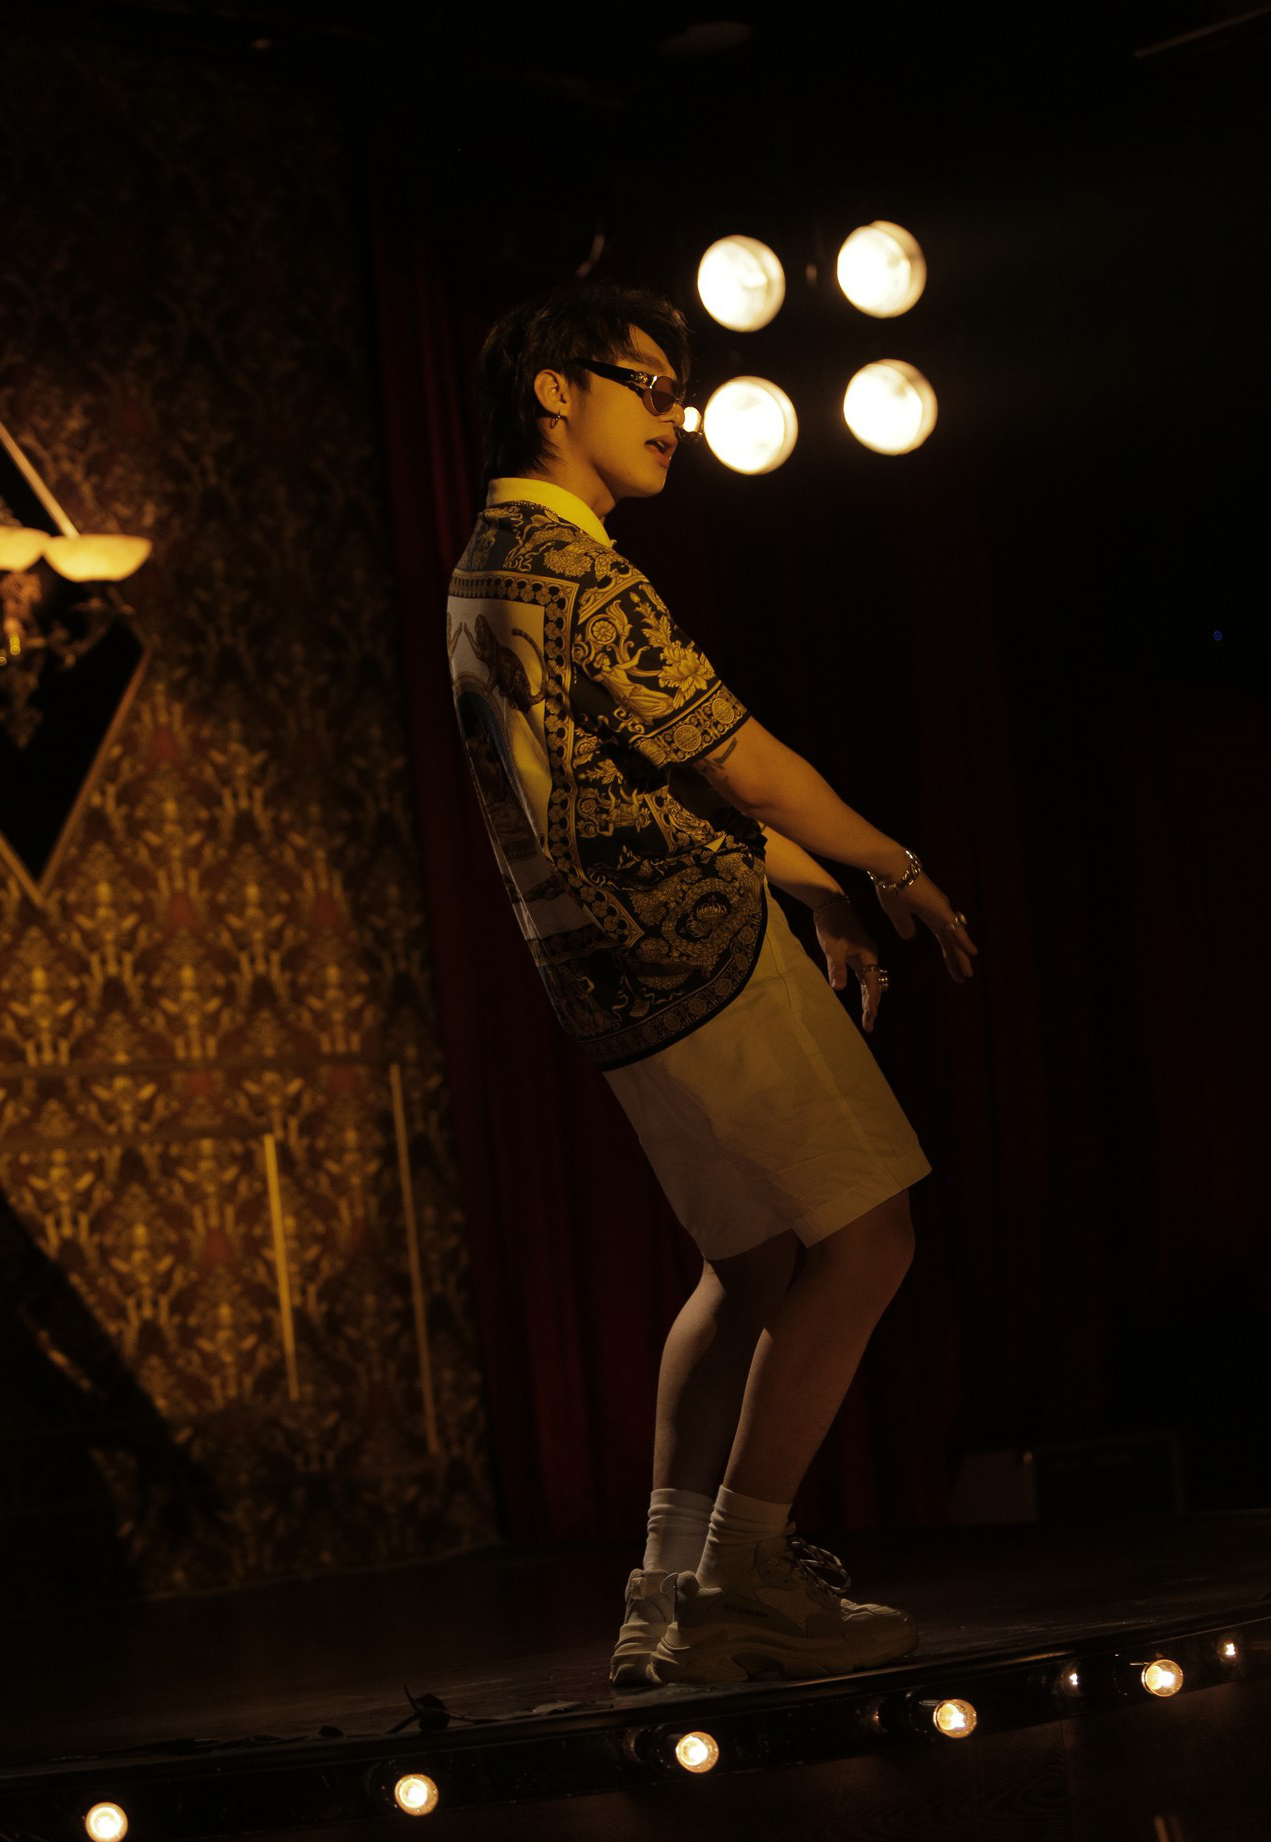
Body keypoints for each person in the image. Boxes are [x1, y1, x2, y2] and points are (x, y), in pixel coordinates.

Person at [445, 281, 978, 1688]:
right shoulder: (577, 573)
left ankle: (663, 1594)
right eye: (649, 387)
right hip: (697, 950)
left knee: (747, 1269)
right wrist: (887, 863)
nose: (675, 418)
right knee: (871, 1240)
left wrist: (816, 887)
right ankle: (743, 1574)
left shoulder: (489, 566)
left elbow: (631, 786)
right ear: (555, 391)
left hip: (606, 977)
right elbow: (735, 762)